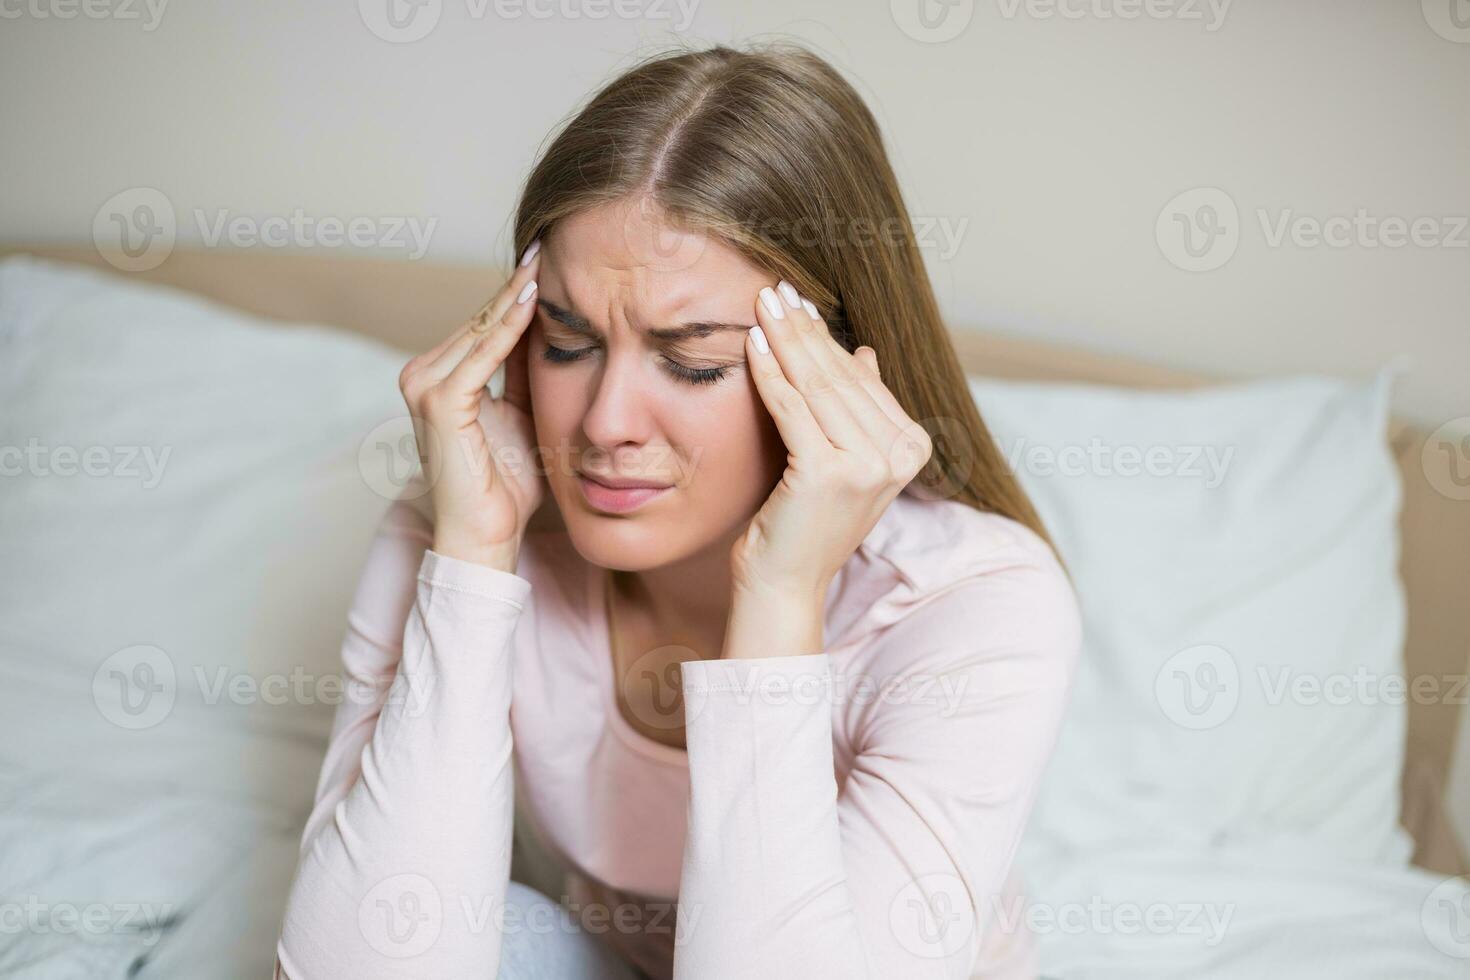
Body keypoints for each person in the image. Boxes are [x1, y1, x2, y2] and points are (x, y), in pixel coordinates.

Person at [274, 41, 1080, 980]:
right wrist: (468, 555)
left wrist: (780, 597)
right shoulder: (467, 521)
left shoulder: (973, 606)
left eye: (694, 362)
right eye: (568, 342)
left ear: (836, 371)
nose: (605, 424)